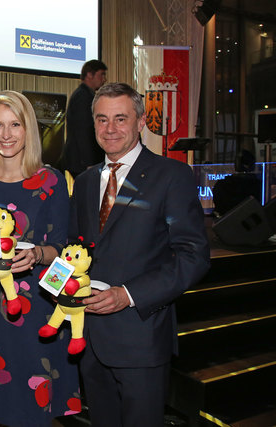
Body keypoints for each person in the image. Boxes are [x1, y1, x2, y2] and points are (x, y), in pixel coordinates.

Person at [71, 82, 210, 427]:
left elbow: (193, 256)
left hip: (141, 338)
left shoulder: (171, 176)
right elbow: (76, 250)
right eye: (102, 120)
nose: (110, 129)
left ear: (140, 122)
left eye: (121, 119)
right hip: (88, 339)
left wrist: (128, 295)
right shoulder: (86, 181)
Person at [0, 90, 81, 426]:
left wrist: (37, 253)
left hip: (37, 307)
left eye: (15, 124)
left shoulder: (51, 180)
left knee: (33, 407)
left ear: (28, 128)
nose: (6, 134)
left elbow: (61, 248)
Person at [62, 59, 108, 177]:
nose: (104, 79)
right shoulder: (83, 96)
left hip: (83, 160)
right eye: (101, 74)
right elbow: (83, 131)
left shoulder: (85, 95)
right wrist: (88, 162)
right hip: (83, 161)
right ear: (89, 75)